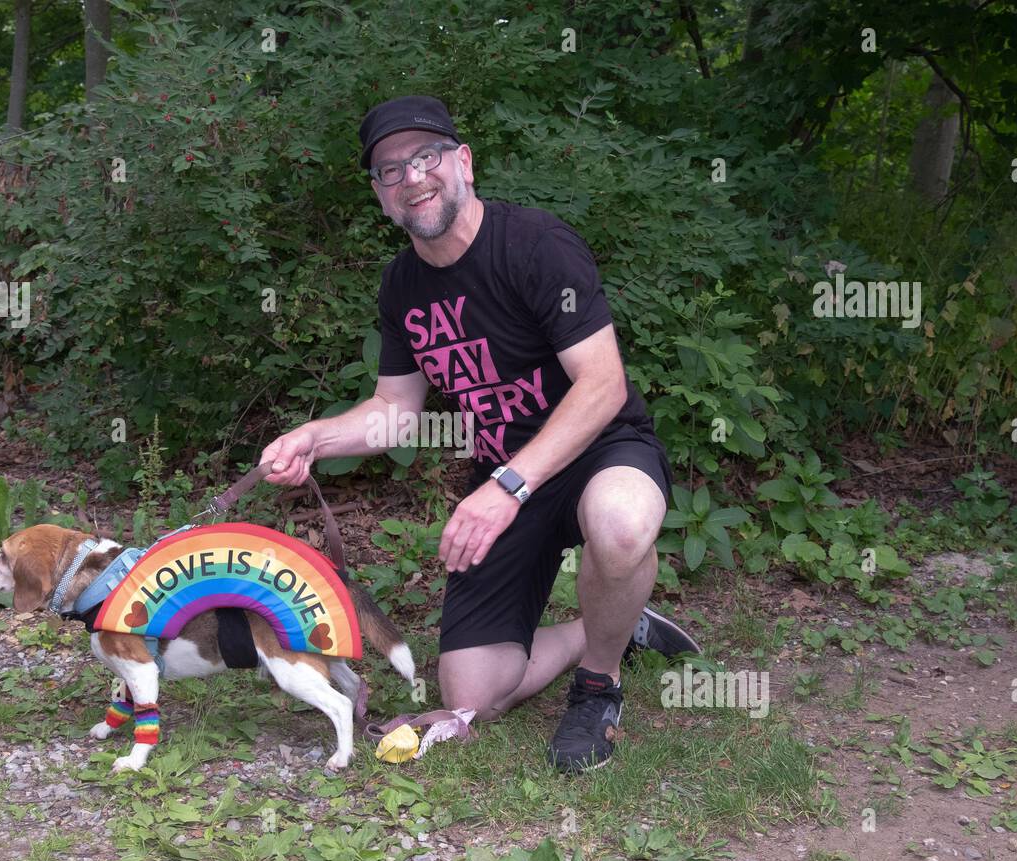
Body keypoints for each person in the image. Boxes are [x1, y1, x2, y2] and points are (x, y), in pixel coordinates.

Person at [260, 95, 700, 772]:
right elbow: (396, 411)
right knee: (470, 696)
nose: (411, 176)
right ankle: (611, 625)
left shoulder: (535, 245)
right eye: (389, 169)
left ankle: (598, 686)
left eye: (426, 156)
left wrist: (509, 485)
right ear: (379, 195)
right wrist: (313, 439)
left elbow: (603, 385)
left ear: (463, 162)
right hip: (503, 473)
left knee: (620, 523)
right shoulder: (401, 286)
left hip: (596, 449)